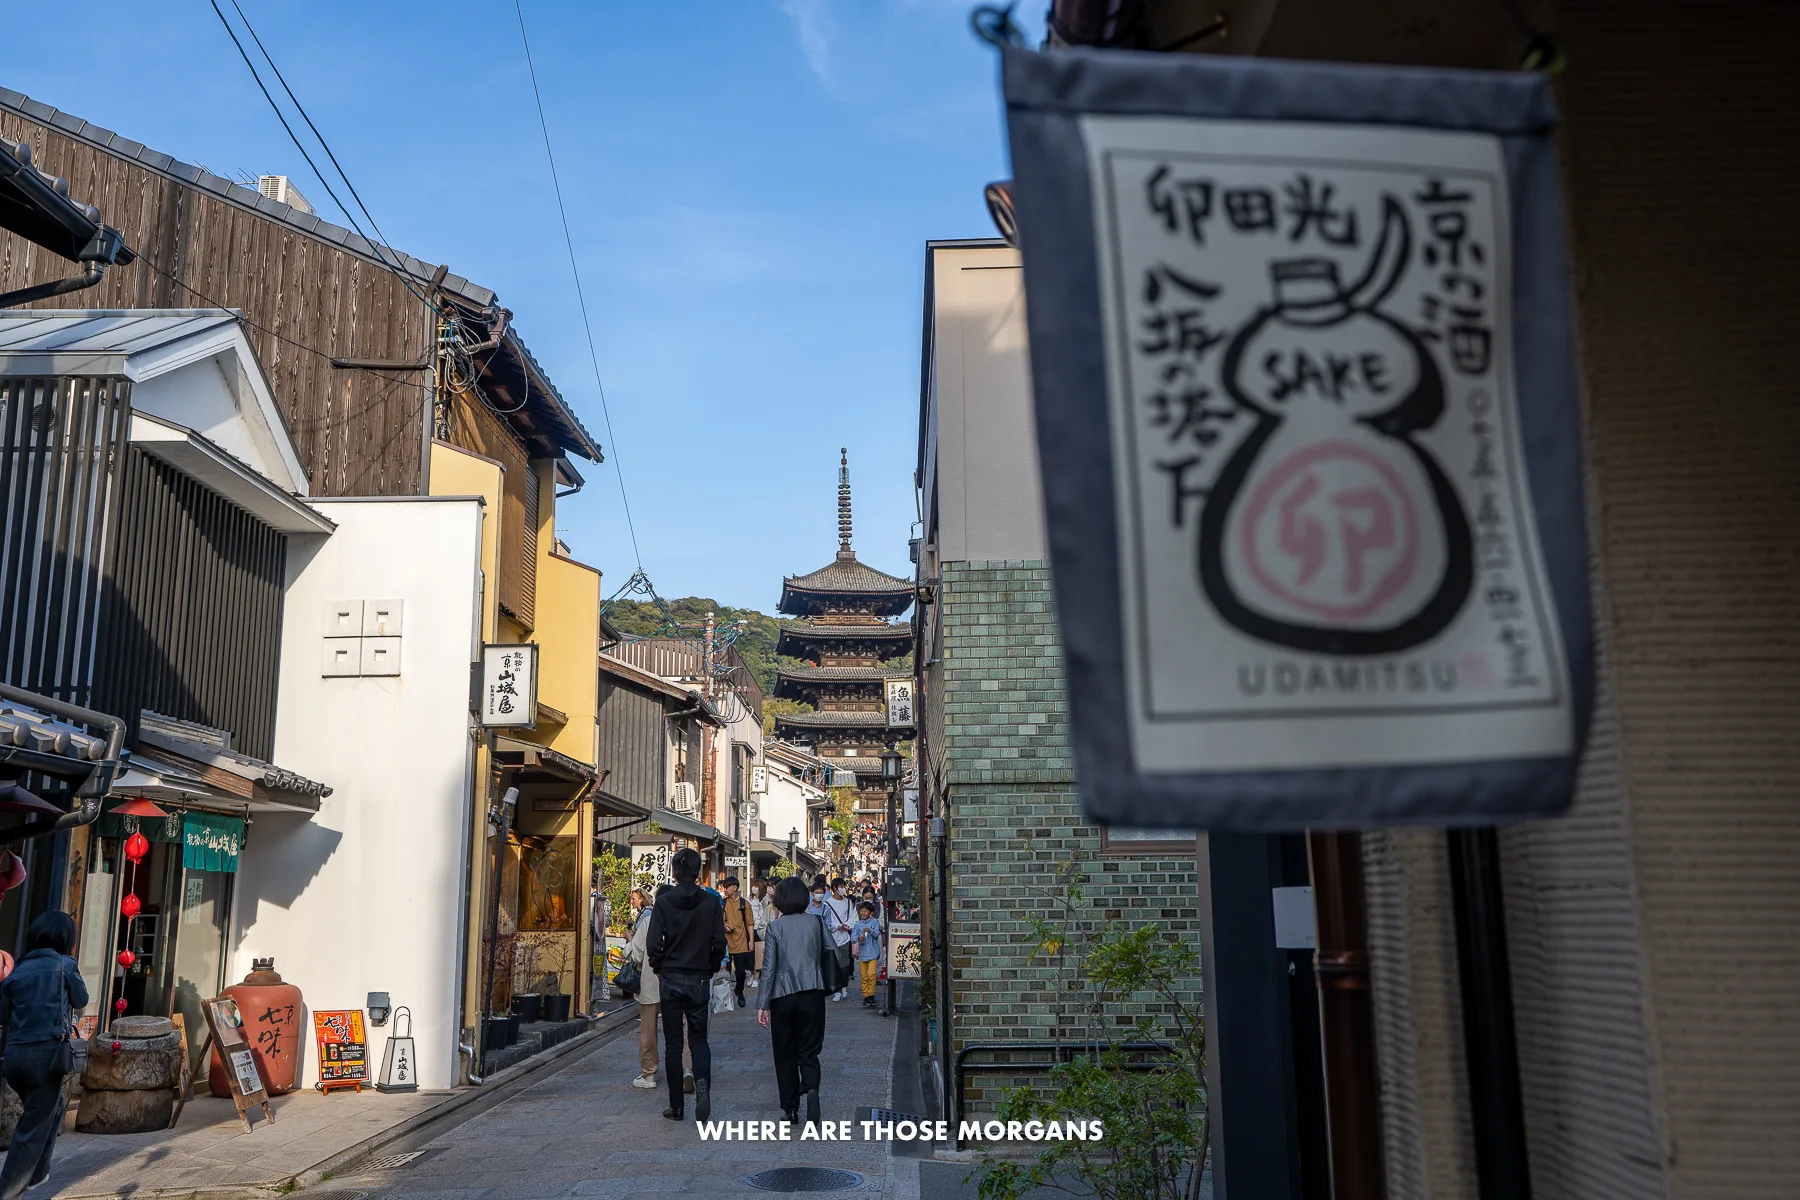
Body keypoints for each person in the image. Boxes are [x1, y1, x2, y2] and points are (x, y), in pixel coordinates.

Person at [0, 911, 86, 1200]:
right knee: (32, 1127)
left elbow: (2, 1015)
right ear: (65, 939)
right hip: (45, 1056)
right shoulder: (65, 965)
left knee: (54, 1107)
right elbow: (81, 999)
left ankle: (37, 1175)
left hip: (14, 1058)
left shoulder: (18, 969)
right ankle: (8, 1192)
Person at [647, 849, 727, 1122]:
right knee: (698, 1039)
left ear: (675, 872)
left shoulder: (665, 902)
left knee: (672, 1043)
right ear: (697, 871)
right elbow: (719, 943)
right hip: (699, 977)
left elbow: (653, 942)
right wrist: (712, 966)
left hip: (670, 976)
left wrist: (659, 966)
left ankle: (676, 1106)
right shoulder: (710, 903)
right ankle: (702, 1082)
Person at [757, 876, 826, 1126]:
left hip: (783, 995)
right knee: (809, 1048)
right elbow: (829, 950)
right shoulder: (816, 922)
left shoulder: (776, 927)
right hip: (813, 992)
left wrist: (763, 1004)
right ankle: (811, 1088)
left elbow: (768, 968)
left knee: (784, 1052)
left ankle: (790, 1108)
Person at [721, 876, 756, 1007]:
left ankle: (739, 990)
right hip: (726, 943)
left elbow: (750, 924)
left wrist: (751, 940)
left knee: (741, 971)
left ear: (734, 888)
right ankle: (727, 995)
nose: (725, 890)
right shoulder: (722, 903)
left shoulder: (744, 904)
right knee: (726, 971)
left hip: (741, 942)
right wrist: (723, 926)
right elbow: (718, 921)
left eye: (727, 887)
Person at [821, 877, 856, 1002]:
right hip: (832, 939)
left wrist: (847, 925)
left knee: (845, 964)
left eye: (843, 886)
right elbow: (827, 923)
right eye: (840, 887)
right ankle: (836, 990)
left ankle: (844, 986)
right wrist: (838, 926)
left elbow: (852, 918)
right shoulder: (827, 903)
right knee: (834, 964)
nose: (843, 889)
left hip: (845, 938)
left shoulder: (848, 902)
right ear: (835, 888)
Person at [851, 901, 881, 1008]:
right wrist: (859, 937)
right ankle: (866, 995)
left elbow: (877, 933)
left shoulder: (875, 922)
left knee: (871, 975)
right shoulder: (857, 925)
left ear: (870, 912)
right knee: (863, 976)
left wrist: (870, 930)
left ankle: (871, 995)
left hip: (873, 952)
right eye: (862, 911)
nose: (863, 913)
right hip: (862, 954)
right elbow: (853, 939)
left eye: (865, 911)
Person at [748, 880, 773, 982]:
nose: (754, 888)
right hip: (752, 928)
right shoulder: (749, 899)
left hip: (762, 928)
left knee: (760, 953)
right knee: (751, 953)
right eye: (753, 886)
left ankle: (757, 975)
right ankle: (752, 974)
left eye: (756, 886)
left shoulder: (766, 899)